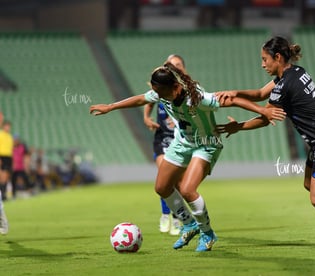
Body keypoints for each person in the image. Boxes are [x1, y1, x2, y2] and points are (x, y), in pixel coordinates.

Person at [90, 62, 286, 251]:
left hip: (206, 144)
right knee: (161, 187)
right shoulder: (162, 93)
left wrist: (262, 111)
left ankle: (208, 234)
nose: (158, 96)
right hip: (182, 143)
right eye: (156, 93)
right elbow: (142, 98)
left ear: (175, 88)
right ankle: (189, 224)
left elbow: (232, 99)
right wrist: (111, 106)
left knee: (187, 189)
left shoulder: (197, 98)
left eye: (161, 93)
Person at [215, 36, 315, 249]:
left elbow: (266, 116)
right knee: (310, 185)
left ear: (277, 57)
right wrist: (235, 92)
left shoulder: (285, 85)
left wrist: (238, 125)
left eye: (264, 59)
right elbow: (260, 94)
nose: (262, 64)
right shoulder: (296, 72)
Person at [143, 54, 186, 236]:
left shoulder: (188, 91)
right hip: (162, 137)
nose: (174, 67)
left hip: (181, 139)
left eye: (177, 64)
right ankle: (165, 214)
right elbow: (147, 101)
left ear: (183, 68)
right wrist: (146, 117)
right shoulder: (162, 87)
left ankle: (177, 218)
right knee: (164, 175)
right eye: (171, 65)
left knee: (177, 182)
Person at [0, 114, 11, 234]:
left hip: (8, 157)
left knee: (5, 177)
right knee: (2, 176)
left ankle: (3, 195)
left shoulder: (9, 137)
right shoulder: (1, 135)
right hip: (2, 156)